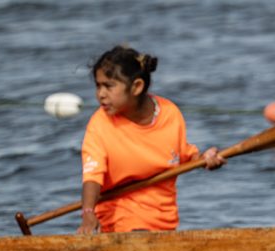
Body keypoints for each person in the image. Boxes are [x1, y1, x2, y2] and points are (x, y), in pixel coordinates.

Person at [78, 45, 225, 234]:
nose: (101, 94)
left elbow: (185, 157)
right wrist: (88, 212)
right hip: (120, 219)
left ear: (137, 87)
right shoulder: (99, 125)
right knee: (138, 235)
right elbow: (92, 176)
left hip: (164, 219)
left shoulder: (170, 113)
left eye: (109, 86)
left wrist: (206, 158)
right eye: (98, 86)